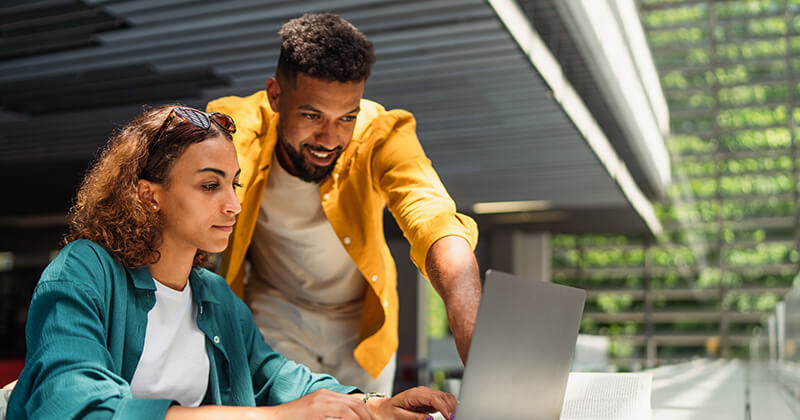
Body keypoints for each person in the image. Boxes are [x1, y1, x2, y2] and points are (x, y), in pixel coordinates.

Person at [5, 105, 457, 420]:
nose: (234, 206)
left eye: (234, 184)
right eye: (209, 186)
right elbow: (74, 408)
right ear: (149, 195)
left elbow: (278, 379)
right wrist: (275, 418)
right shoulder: (84, 271)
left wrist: (377, 406)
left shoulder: (213, 295)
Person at [206, 13, 482, 394]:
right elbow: (204, 191)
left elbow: (431, 214)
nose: (329, 139)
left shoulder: (381, 133)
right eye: (311, 115)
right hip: (274, 314)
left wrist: (465, 305)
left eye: (346, 117)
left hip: (362, 329)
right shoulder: (237, 126)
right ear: (275, 96)